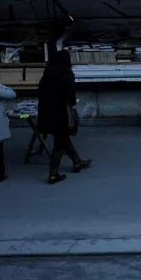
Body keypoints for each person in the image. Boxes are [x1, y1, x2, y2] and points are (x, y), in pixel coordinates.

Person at [37, 50, 92, 184]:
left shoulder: (48, 73)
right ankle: (53, 174)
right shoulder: (66, 73)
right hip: (60, 112)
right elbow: (69, 92)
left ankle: (77, 162)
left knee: (62, 137)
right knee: (60, 142)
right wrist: (73, 103)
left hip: (46, 110)